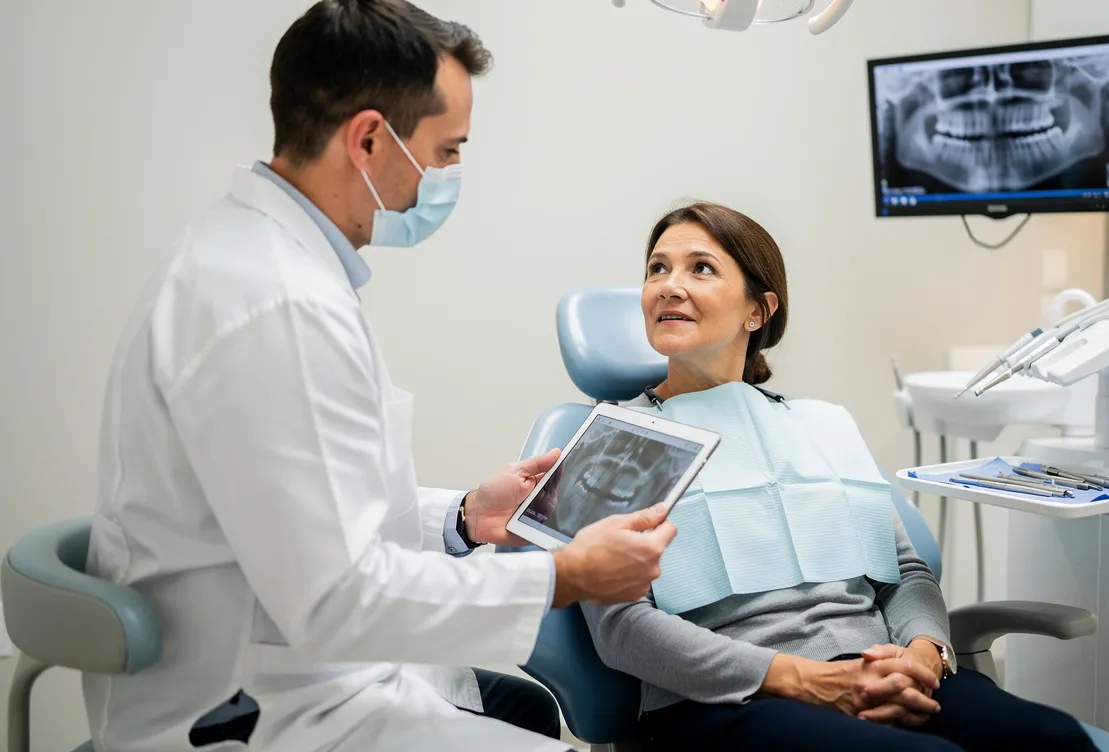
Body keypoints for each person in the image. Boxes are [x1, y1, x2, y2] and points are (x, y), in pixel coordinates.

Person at [84, 2, 676, 750]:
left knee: (522, 714)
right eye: (447, 150)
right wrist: (567, 574)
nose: (451, 174)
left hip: (308, 663)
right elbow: (337, 597)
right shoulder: (275, 305)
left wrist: (461, 516)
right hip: (264, 710)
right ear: (369, 139)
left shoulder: (268, 263)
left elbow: (318, 510)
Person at [581, 201, 1101, 752]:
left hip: (878, 671)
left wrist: (924, 655)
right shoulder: (617, 441)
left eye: (700, 268)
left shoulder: (818, 424)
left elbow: (902, 571)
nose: (669, 285)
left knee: (1054, 738)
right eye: (656, 269)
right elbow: (621, 628)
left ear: (758, 310)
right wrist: (805, 680)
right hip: (727, 702)